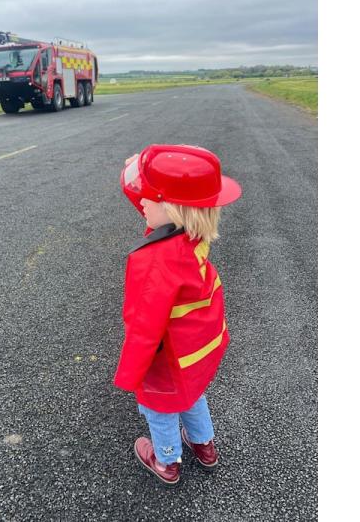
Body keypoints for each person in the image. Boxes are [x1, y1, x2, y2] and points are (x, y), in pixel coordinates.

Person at [114, 144, 242, 485]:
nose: (140, 200)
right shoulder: (191, 234)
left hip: (166, 357)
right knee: (191, 394)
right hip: (194, 353)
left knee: (161, 406)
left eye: (147, 195)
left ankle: (166, 460)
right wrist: (139, 171)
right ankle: (204, 446)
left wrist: (131, 373)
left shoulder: (154, 262)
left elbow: (144, 326)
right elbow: (154, 211)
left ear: (171, 207)